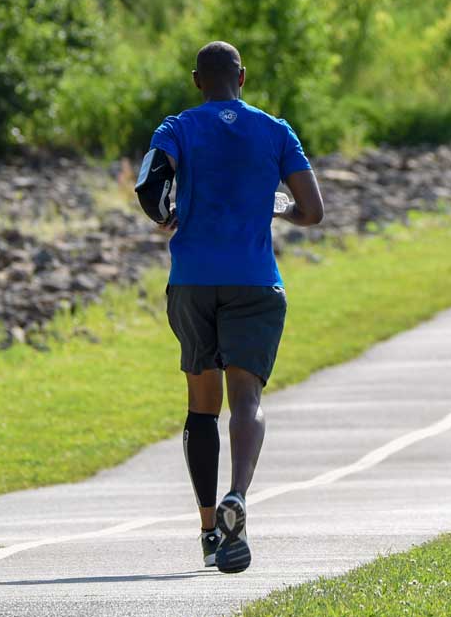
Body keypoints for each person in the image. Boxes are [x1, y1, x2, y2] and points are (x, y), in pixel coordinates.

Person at [134, 40, 324, 573]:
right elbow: (313, 210)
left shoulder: (176, 128)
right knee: (247, 398)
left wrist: (164, 213)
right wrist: (277, 206)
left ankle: (206, 530)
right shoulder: (275, 130)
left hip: (192, 281)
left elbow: (149, 181)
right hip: (254, 282)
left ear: (198, 80)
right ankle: (237, 496)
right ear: (243, 76)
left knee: (201, 405)